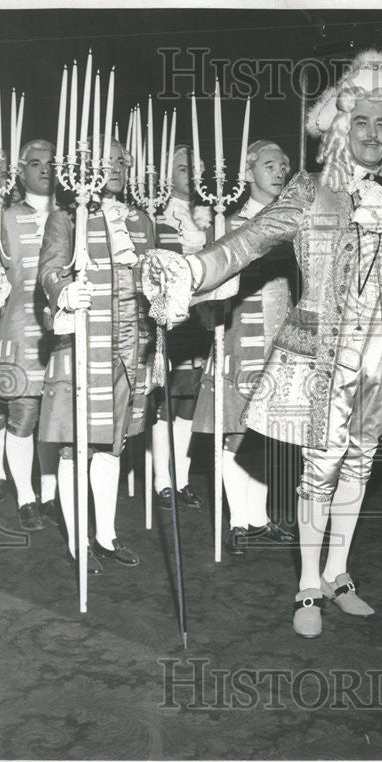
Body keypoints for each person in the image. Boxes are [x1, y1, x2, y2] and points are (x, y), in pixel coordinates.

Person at [147, 49, 382, 637]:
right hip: (323, 355)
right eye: (361, 122)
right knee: (319, 469)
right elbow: (247, 243)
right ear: (338, 128)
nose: (373, 134)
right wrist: (191, 272)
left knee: (362, 462)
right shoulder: (309, 192)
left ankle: (339, 572)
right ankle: (307, 582)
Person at [38, 138, 159, 573]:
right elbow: (49, 270)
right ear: (85, 168)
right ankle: (76, 542)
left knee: (112, 446)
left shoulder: (141, 220)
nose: (119, 167)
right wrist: (65, 291)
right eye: (110, 162)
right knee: (77, 447)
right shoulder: (67, 218)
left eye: (124, 161)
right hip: (84, 346)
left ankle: (105, 536)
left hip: (130, 349)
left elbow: (154, 280)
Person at [192, 139, 297, 556]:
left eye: (283, 165)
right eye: (270, 164)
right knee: (234, 432)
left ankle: (260, 517)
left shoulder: (294, 223)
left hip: (281, 341)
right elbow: (204, 285)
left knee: (266, 435)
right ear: (249, 172)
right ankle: (239, 520)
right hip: (239, 337)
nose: (279, 172)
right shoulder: (228, 224)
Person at [0, 140, 60, 532]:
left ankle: (52, 493)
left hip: (63, 331)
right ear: (21, 171)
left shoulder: (73, 215)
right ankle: (25, 497)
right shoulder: (2, 216)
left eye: (51, 163)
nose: (44, 169)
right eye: (36, 163)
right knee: (23, 414)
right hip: (20, 332)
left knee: (59, 418)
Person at [152, 144, 211, 512]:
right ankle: (162, 482)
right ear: (167, 175)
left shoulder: (210, 213)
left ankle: (183, 478)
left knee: (191, 398)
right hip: (169, 314)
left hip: (200, 315)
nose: (193, 174)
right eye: (185, 168)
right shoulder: (161, 214)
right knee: (166, 401)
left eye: (198, 168)